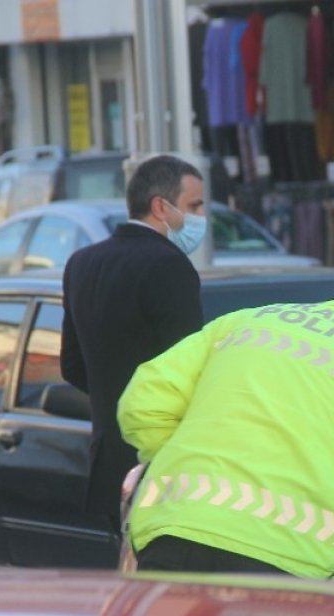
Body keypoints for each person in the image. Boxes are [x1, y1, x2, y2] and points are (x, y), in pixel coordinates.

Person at [117, 257, 334, 587]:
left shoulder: (241, 324)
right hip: (289, 564)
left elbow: (141, 404)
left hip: (175, 532)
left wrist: (185, 467)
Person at [61, 154, 207, 533]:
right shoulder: (169, 266)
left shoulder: (82, 263)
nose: (201, 216)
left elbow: (72, 366)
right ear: (161, 206)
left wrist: (115, 397)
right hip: (163, 465)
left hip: (109, 461)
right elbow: (189, 371)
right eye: (194, 206)